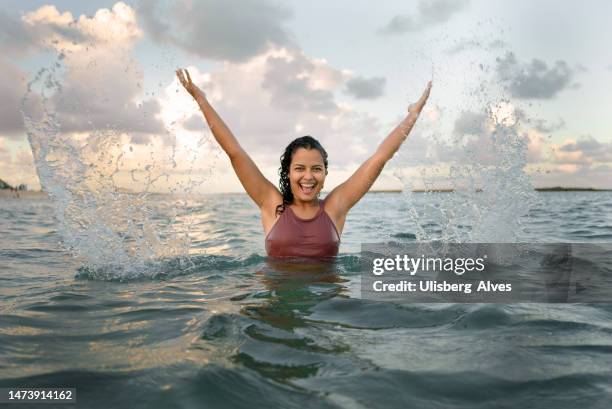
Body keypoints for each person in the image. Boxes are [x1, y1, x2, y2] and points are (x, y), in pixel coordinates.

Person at [176, 69, 431, 259]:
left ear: (325, 173)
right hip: (278, 304)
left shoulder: (336, 207)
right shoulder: (271, 204)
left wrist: (413, 115)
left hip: (326, 309)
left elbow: (379, 158)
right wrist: (202, 100)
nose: (308, 177)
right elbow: (235, 152)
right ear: (288, 172)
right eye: (300, 168)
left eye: (316, 169)